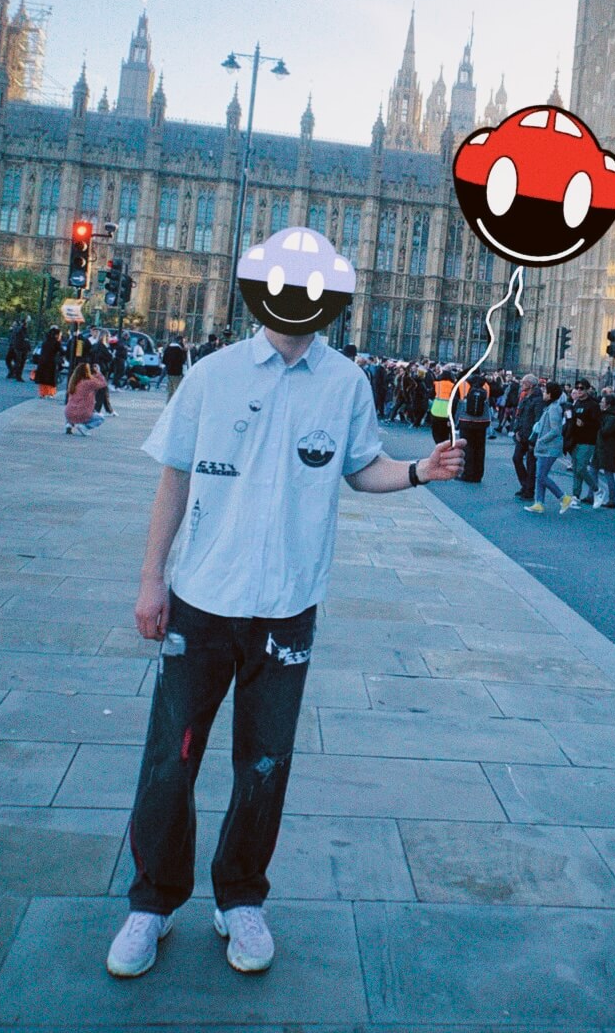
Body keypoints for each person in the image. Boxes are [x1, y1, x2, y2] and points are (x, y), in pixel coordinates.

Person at [106, 307, 465, 980]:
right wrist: (152, 578)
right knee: (170, 760)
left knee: (264, 765)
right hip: (202, 599)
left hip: (287, 608)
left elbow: (362, 469)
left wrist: (421, 470)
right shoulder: (214, 374)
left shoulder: (345, 382)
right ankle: (152, 901)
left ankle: (240, 897)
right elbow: (175, 475)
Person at [525, 381, 573, 515]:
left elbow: (555, 430)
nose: (543, 393)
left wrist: (540, 440)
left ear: (551, 394)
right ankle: (539, 503)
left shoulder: (554, 409)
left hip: (549, 448)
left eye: (546, 391)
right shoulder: (551, 407)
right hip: (546, 447)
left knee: (541, 476)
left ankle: (563, 497)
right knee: (540, 475)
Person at [567, 379, 600, 505]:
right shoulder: (577, 403)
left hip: (587, 441)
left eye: (582, 388)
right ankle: (576, 495)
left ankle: (596, 489)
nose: (579, 390)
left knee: (581, 468)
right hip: (575, 440)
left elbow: (597, 424)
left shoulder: (593, 405)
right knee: (576, 469)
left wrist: (584, 424)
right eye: (577, 388)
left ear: (587, 389)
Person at [511, 374, 543, 501]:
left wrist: (533, 440)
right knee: (516, 458)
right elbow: (519, 415)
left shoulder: (538, 400)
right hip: (522, 434)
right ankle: (525, 484)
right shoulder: (525, 397)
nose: (521, 385)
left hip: (530, 436)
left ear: (530, 385)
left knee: (531, 464)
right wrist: (516, 430)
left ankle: (529, 489)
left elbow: (538, 421)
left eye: (524, 383)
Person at [456, 373, 491, 482]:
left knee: (468, 448)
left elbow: (457, 403)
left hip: (466, 421)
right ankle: (478, 475)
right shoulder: (485, 387)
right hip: (482, 422)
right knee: (480, 449)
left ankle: (467, 474)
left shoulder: (463, 385)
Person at [593, 391, 615, 509]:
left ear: (608, 404)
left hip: (608, 449)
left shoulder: (611, 418)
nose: (600, 403)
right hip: (601, 447)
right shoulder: (606, 416)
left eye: (603, 402)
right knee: (593, 470)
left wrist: (598, 427)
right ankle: (593, 494)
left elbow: (605, 431)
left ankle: (612, 499)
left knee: (608, 474)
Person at [64, 361, 108, 436]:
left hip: (68, 413)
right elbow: (103, 383)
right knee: (101, 418)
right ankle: (84, 427)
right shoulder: (88, 382)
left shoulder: (73, 382)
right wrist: (98, 372)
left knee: (73, 407)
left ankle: (69, 424)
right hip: (82, 413)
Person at [34, 326, 64, 399]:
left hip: (42, 362)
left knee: (42, 379)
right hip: (51, 363)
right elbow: (62, 352)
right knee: (50, 379)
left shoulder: (45, 341)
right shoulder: (56, 342)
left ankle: (42, 393)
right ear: (57, 335)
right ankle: (50, 393)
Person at [162, 335, 190, 402]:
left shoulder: (168, 348)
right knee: (178, 390)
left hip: (169, 372)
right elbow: (182, 361)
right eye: (183, 342)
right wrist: (185, 352)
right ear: (180, 341)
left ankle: (169, 404)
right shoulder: (179, 350)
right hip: (177, 372)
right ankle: (176, 405)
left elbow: (164, 361)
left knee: (170, 391)